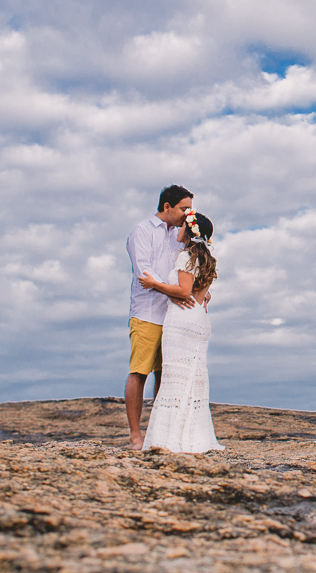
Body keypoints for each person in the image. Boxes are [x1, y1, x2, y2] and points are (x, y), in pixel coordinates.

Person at [138, 209, 224, 453]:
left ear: (190, 232)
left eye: (183, 226)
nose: (178, 229)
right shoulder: (207, 258)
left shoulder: (186, 256)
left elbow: (184, 292)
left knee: (175, 377)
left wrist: (156, 284)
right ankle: (194, 437)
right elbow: (200, 294)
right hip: (199, 320)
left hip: (182, 321)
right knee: (194, 376)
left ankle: (169, 439)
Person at [124, 184, 194, 451]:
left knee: (164, 374)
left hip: (173, 314)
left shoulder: (179, 235)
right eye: (183, 208)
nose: (188, 214)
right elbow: (145, 275)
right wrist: (175, 291)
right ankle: (135, 436)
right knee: (139, 372)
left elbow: (182, 269)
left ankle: (158, 433)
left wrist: (186, 291)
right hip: (146, 312)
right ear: (167, 207)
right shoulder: (141, 232)